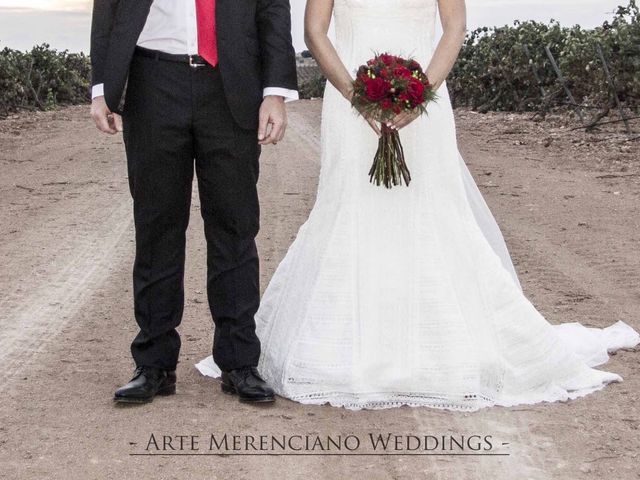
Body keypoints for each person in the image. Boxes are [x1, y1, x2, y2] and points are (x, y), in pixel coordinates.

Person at [197, 0, 639, 410]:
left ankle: (439, 345)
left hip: (424, 102)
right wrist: (357, 95)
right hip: (350, 100)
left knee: (432, 211)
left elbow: (454, 27)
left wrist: (421, 92)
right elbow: (315, 32)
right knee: (352, 210)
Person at [90, 0, 298, 404]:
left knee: (235, 226)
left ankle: (239, 362)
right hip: (152, 82)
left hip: (231, 85)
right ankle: (153, 364)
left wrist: (274, 92)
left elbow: (272, 9)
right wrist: (102, 87)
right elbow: (108, 11)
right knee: (157, 227)